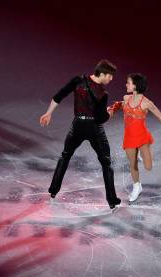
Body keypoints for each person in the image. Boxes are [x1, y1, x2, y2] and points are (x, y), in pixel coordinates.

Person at [39, 60, 122, 210]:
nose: (111, 79)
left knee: (65, 156)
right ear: (102, 74)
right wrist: (111, 111)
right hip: (94, 129)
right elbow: (101, 119)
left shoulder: (78, 80)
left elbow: (59, 96)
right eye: (110, 76)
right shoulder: (103, 93)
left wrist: (48, 113)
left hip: (77, 125)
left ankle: (53, 190)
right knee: (106, 162)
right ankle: (111, 199)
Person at [108, 73, 161, 202]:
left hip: (142, 137)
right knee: (132, 164)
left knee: (148, 166)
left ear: (135, 86)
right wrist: (113, 108)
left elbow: (160, 116)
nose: (126, 85)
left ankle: (144, 154)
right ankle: (137, 186)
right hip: (129, 137)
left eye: (128, 83)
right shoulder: (126, 97)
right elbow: (121, 104)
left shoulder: (146, 103)